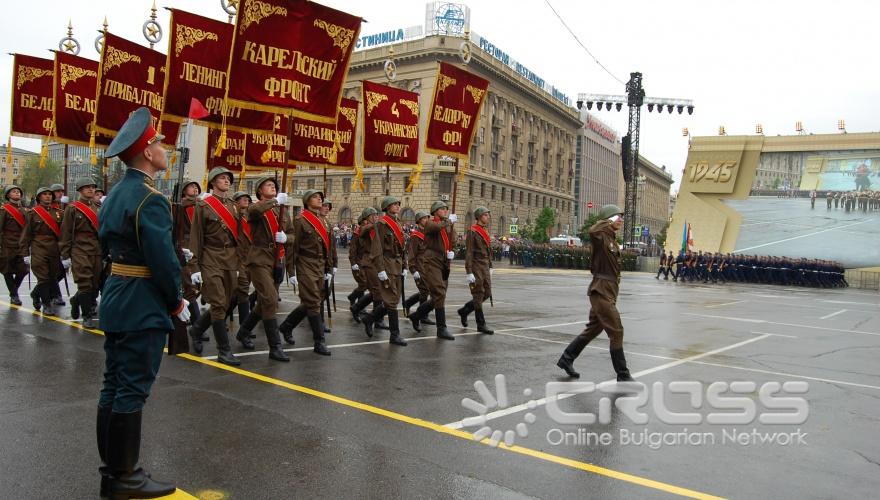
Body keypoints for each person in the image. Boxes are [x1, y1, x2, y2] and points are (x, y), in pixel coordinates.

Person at [96, 107, 190, 498]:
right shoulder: (150, 199)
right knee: (132, 389)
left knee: (113, 386)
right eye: (159, 143)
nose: (164, 148)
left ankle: (113, 472)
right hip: (142, 302)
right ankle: (126, 477)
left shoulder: (117, 194)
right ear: (147, 153)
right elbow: (163, 261)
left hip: (119, 297)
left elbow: (109, 247)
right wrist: (176, 301)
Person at [556, 204, 634, 382]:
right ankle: (623, 374)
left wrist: (612, 219)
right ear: (608, 220)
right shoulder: (600, 237)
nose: (620, 220)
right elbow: (592, 230)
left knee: (593, 329)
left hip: (609, 290)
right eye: (617, 217)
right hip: (601, 291)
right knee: (617, 330)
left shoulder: (611, 240)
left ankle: (566, 359)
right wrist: (607, 220)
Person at [186, 167, 241, 366]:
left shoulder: (234, 206)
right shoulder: (203, 206)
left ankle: (197, 329)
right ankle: (224, 351)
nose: (226, 181)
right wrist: (194, 267)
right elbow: (196, 237)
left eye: (228, 178)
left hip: (230, 258)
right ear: (212, 182)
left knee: (226, 302)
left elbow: (239, 236)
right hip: (210, 257)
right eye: (222, 178)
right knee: (218, 303)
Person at [234, 177, 292, 362]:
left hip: (277, 257)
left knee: (265, 302)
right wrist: (275, 201)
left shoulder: (282, 210)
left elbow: (293, 234)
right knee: (270, 298)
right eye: (268, 185)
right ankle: (275, 347)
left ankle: (244, 330)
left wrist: (286, 238)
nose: (273, 186)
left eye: (274, 185)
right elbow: (255, 211)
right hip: (259, 257)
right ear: (259, 191)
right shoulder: (256, 207)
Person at [278, 189, 333, 355]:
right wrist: (291, 271)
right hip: (305, 264)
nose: (319, 199)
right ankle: (319, 341)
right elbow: (292, 248)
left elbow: (327, 248)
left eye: (320, 197)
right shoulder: (300, 220)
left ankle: (287, 326)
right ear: (307, 201)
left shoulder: (323, 222)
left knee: (312, 301)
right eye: (316, 197)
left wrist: (329, 268)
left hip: (320, 264)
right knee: (314, 302)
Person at [362, 195, 408, 345]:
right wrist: (380, 269)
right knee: (391, 299)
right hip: (387, 263)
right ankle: (394, 335)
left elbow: (402, 247)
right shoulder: (382, 224)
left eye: (398, 204)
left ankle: (370, 318)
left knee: (393, 299)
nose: (397, 206)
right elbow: (377, 248)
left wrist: (405, 266)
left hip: (397, 264)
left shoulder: (397, 223)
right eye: (394, 204)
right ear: (387, 207)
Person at [407, 200, 456, 339]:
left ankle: (416, 315)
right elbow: (435, 228)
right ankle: (441, 328)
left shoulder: (447, 225)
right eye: (442, 209)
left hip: (443, 261)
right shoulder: (430, 223)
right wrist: (448, 222)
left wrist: (453, 250)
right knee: (439, 292)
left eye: (446, 208)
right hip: (431, 261)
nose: (445, 210)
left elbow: (453, 240)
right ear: (435, 211)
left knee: (439, 295)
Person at [59, 177, 102, 328]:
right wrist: (65, 255)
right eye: (87, 187)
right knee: (85, 283)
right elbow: (65, 233)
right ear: (80, 190)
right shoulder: (73, 209)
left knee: (94, 284)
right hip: (80, 250)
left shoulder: (98, 207)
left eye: (92, 187)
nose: (91, 189)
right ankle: (87, 316)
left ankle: (76, 300)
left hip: (96, 250)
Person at [19, 186, 65, 316]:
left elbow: (64, 233)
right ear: (39, 197)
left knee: (53, 276)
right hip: (39, 247)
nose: (48, 196)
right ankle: (46, 304)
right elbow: (26, 234)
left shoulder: (59, 213)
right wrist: (25, 253)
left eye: (49, 194)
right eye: (44, 194)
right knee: (43, 276)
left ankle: (35, 294)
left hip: (55, 248)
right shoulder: (33, 214)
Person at [458, 206, 494, 334]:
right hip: (476, 265)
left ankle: (465, 310)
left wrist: (490, 265)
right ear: (479, 217)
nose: (488, 217)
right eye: (485, 215)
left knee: (487, 293)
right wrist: (469, 271)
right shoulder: (473, 231)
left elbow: (488, 250)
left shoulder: (485, 230)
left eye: (488, 215)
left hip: (484, 265)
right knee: (478, 294)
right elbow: (469, 252)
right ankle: (481, 324)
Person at [0, 185, 29, 305]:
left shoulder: (25, 211)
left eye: (18, 192)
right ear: (8, 195)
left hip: (21, 245)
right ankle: (14, 295)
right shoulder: (4, 210)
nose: (17, 193)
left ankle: (13, 291)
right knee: (7, 270)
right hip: (7, 244)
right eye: (14, 191)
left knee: (23, 270)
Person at [402, 211, 432, 320]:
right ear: (419, 221)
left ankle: (408, 303)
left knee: (426, 291)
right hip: (419, 267)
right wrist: (413, 270)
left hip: (428, 267)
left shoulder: (427, 234)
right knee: (424, 291)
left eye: (427, 218)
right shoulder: (415, 235)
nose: (427, 220)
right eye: (424, 218)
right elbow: (412, 253)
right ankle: (422, 315)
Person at [347, 207, 375, 318]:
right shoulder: (357, 232)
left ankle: (355, 300)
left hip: (367, 262)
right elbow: (353, 249)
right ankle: (356, 301)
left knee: (365, 284)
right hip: (358, 261)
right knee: (363, 284)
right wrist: (353, 262)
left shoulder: (370, 231)